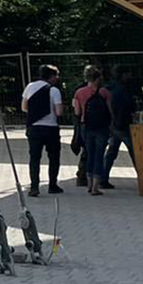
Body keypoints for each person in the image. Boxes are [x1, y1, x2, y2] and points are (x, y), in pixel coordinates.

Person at [20, 65, 64, 197]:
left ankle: (34, 187)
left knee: (34, 158)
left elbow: (24, 107)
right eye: (56, 75)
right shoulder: (54, 91)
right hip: (50, 128)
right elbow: (59, 111)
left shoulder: (30, 87)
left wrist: (36, 112)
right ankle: (52, 185)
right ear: (51, 77)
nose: (57, 78)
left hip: (33, 127)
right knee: (54, 157)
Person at [74, 66, 114, 196]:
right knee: (99, 155)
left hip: (86, 126)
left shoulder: (79, 92)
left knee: (90, 154)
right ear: (98, 78)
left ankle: (89, 184)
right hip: (102, 127)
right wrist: (111, 124)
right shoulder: (104, 92)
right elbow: (110, 111)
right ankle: (96, 187)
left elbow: (77, 112)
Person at [102, 68, 138, 184]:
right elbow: (129, 106)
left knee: (111, 153)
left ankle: (103, 177)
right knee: (134, 152)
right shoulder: (123, 90)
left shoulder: (108, 88)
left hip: (113, 125)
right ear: (123, 75)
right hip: (123, 124)